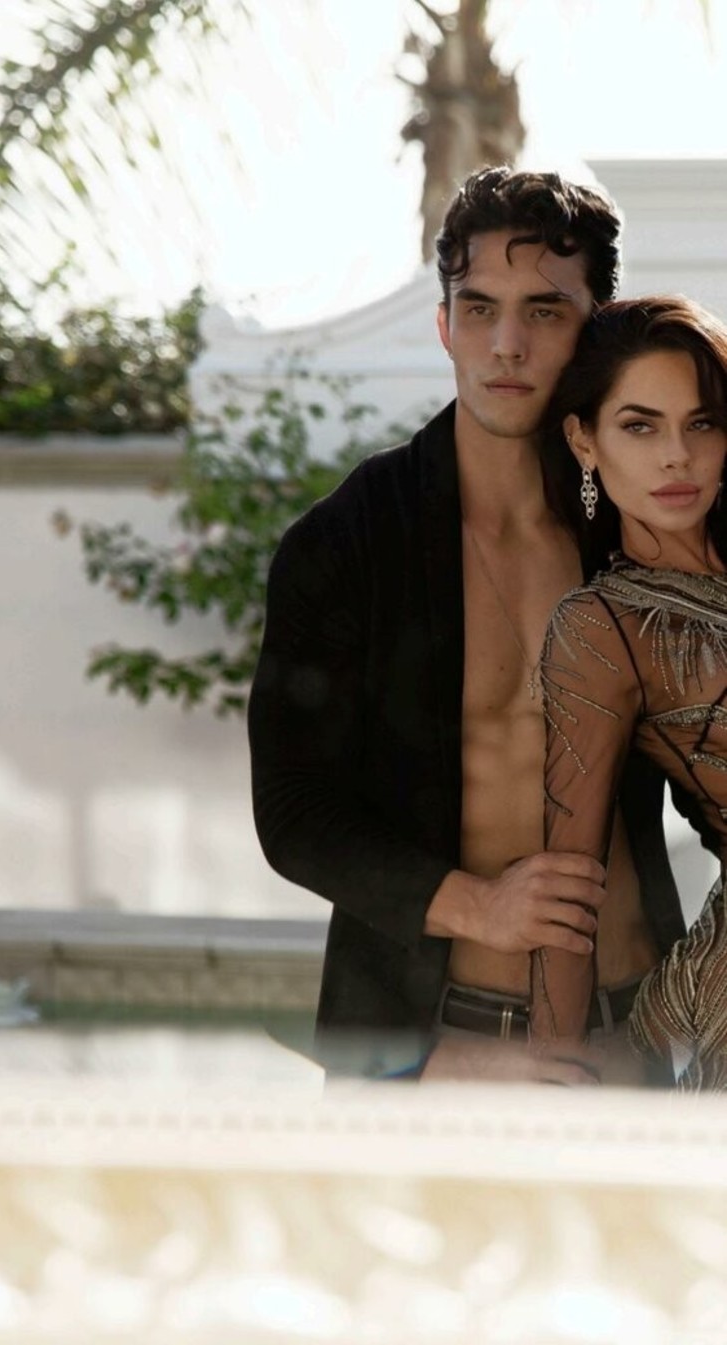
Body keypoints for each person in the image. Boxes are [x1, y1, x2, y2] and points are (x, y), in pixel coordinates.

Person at [248, 166, 691, 1083]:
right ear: (445, 323)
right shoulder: (351, 540)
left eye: (544, 311)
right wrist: (477, 908)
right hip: (444, 1058)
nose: (507, 345)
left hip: (636, 1044)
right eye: (480, 308)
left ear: (595, 327)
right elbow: (294, 812)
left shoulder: (635, 533)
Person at [534, 296, 727, 1089]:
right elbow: (569, 877)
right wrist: (554, 1068)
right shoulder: (602, 631)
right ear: (585, 439)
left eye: (702, 423)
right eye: (640, 427)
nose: (677, 456)